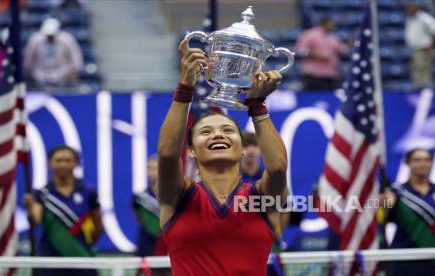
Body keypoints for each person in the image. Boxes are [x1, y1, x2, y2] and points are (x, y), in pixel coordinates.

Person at [157, 38, 288, 275]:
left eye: (228, 130)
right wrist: (185, 88)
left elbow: (278, 168)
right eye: (206, 132)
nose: (218, 134)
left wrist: (257, 105)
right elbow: (167, 155)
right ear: (191, 150)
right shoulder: (178, 195)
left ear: (243, 148)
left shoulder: (260, 199)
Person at [24, 145, 103, 276]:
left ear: (76, 163)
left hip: (82, 259)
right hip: (49, 261)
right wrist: (30, 207)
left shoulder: (89, 192)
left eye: (67, 160)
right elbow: (35, 222)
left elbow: (99, 226)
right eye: (58, 160)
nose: (63, 165)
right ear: (50, 163)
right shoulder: (41, 194)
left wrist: (82, 245)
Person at [381, 148, 435, 275]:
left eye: (427, 160)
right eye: (417, 160)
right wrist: (383, 200)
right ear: (408, 163)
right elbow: (387, 202)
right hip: (406, 258)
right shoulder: (398, 191)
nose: (422, 163)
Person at [23, 18, 84, 89]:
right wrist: (29, 72)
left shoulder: (67, 40)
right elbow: (29, 58)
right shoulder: (35, 40)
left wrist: (74, 71)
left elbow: (76, 57)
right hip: (40, 75)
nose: (50, 37)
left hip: (62, 74)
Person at [295, 17, 349, 91]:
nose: (332, 27)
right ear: (324, 24)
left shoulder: (333, 37)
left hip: (331, 74)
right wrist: (317, 55)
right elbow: (300, 50)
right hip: (314, 73)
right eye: (331, 25)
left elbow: (343, 50)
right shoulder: (310, 34)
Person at [131, 155, 167, 257]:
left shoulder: (174, 197)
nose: (153, 172)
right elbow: (139, 219)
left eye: (156, 168)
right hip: (146, 246)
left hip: (167, 247)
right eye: (150, 168)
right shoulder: (139, 198)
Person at [405, 3, 435, 89]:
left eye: (410, 7)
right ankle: (419, 90)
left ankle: (425, 92)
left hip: (424, 49)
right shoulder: (411, 18)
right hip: (416, 49)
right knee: (417, 71)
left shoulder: (424, 18)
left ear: (417, 7)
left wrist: (431, 45)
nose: (408, 9)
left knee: (423, 71)